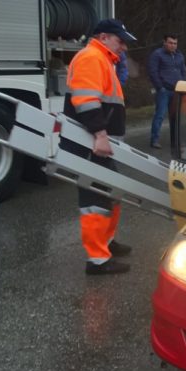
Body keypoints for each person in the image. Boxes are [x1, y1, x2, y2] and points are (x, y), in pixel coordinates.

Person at [59, 19, 137, 275]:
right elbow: (86, 100)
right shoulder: (92, 57)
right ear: (103, 37)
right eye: (120, 41)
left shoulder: (102, 58)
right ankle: (97, 260)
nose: (124, 47)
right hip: (90, 144)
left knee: (111, 195)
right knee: (95, 200)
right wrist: (101, 135)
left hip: (98, 143)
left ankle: (107, 243)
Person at [148, 34, 186, 149]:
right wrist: (160, 87)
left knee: (176, 117)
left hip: (177, 91)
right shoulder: (157, 54)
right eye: (170, 43)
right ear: (164, 42)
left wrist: (183, 84)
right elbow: (152, 72)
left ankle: (175, 142)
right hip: (164, 90)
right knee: (160, 115)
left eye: (175, 43)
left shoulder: (179, 55)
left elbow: (183, 71)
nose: (173, 45)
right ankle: (154, 140)